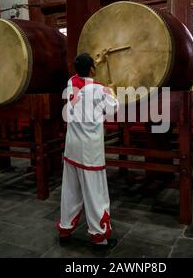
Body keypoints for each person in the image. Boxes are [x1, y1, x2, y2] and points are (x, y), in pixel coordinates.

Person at [57, 53, 119, 250]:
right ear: (92, 69)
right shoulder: (100, 90)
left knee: (70, 191)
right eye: (94, 65)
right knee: (95, 194)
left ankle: (65, 231)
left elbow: (83, 80)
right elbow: (113, 109)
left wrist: (95, 62)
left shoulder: (70, 83)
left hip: (72, 147)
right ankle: (100, 238)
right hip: (90, 151)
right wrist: (113, 90)